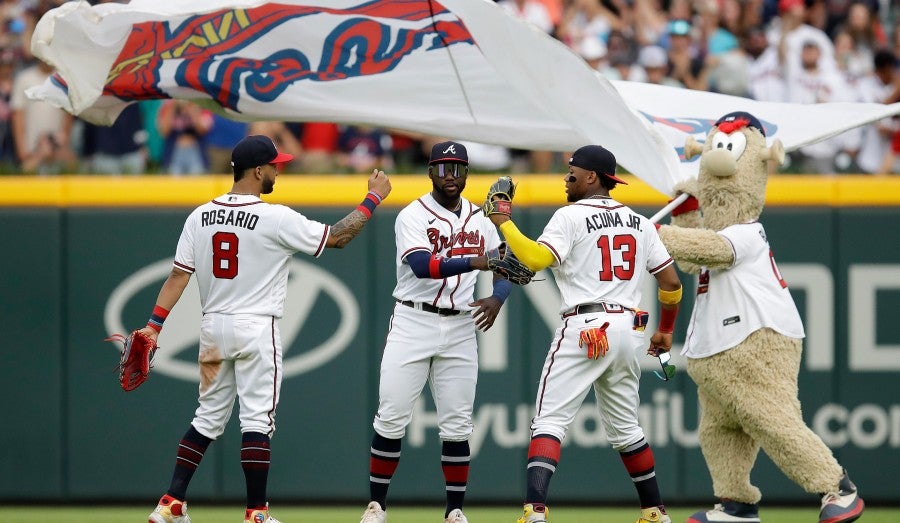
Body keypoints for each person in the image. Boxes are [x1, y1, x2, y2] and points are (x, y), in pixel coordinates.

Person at [140, 134, 391, 523]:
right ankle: (256, 512)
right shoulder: (274, 217)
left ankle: (171, 502)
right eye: (275, 165)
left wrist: (155, 326)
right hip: (257, 326)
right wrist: (372, 198)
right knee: (257, 421)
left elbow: (178, 275)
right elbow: (338, 237)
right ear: (258, 171)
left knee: (206, 418)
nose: (278, 170)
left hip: (213, 327)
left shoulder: (200, 215)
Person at [484, 145, 683, 523]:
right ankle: (655, 511)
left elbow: (537, 259)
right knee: (626, 429)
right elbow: (671, 284)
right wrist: (667, 332)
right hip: (627, 330)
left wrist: (503, 221)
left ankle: (535, 511)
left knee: (549, 421)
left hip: (584, 325)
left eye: (572, 171)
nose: (566, 177)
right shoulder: (640, 223)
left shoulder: (570, 216)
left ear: (592, 177)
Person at [359, 141, 513, 523]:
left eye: (458, 168)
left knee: (458, 424)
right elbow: (422, 266)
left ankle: (455, 510)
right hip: (413, 321)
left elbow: (506, 262)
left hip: (461, 324)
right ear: (430, 172)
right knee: (391, 416)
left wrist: (497, 297)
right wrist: (481, 260)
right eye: (443, 168)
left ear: (466, 174)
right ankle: (377, 506)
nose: (451, 175)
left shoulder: (481, 217)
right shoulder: (411, 215)